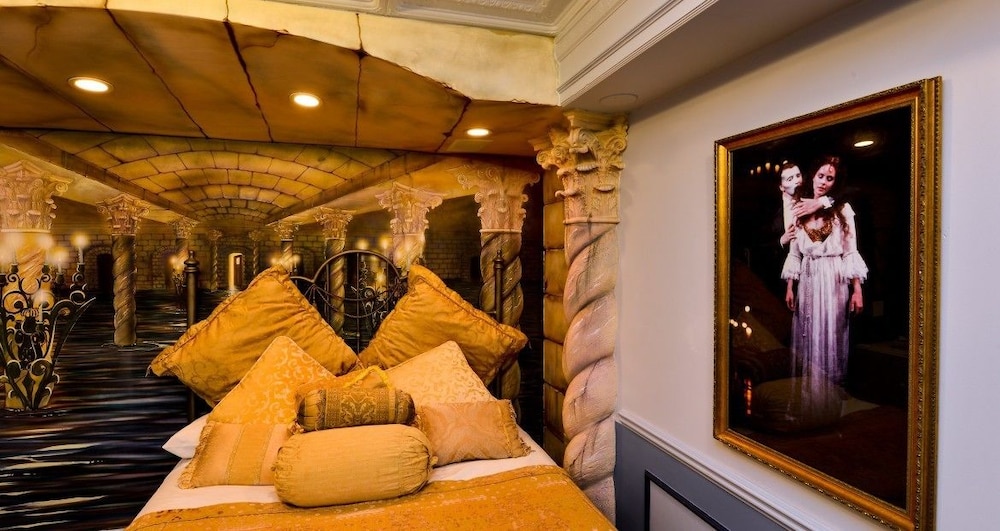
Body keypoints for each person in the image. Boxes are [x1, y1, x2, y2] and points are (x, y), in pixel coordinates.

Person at [780, 156, 868, 416]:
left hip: (833, 278)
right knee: (808, 334)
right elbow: (794, 251)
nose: (824, 182)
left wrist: (857, 290)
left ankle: (828, 402)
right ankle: (808, 400)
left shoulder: (842, 209)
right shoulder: (798, 208)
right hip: (808, 277)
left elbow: (850, 251)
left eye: (830, 178)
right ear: (812, 176)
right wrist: (790, 286)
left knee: (831, 333)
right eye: (820, 176)